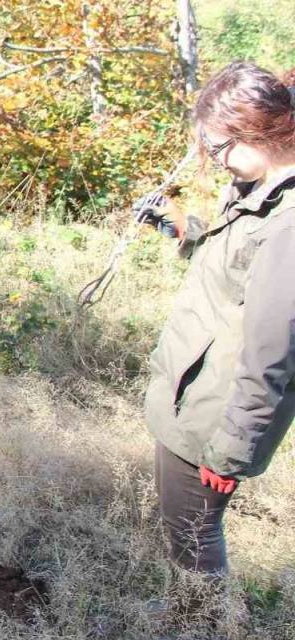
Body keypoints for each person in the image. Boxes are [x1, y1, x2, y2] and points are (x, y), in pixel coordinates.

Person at [137, 62, 295, 610]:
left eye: (220, 145)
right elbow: (236, 272)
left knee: (193, 539)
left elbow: (273, 354)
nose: (217, 158)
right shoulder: (257, 188)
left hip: (216, 412)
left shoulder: (289, 224)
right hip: (191, 393)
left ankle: (201, 623)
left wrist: (232, 449)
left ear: (259, 132)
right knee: (181, 528)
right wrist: (185, 230)